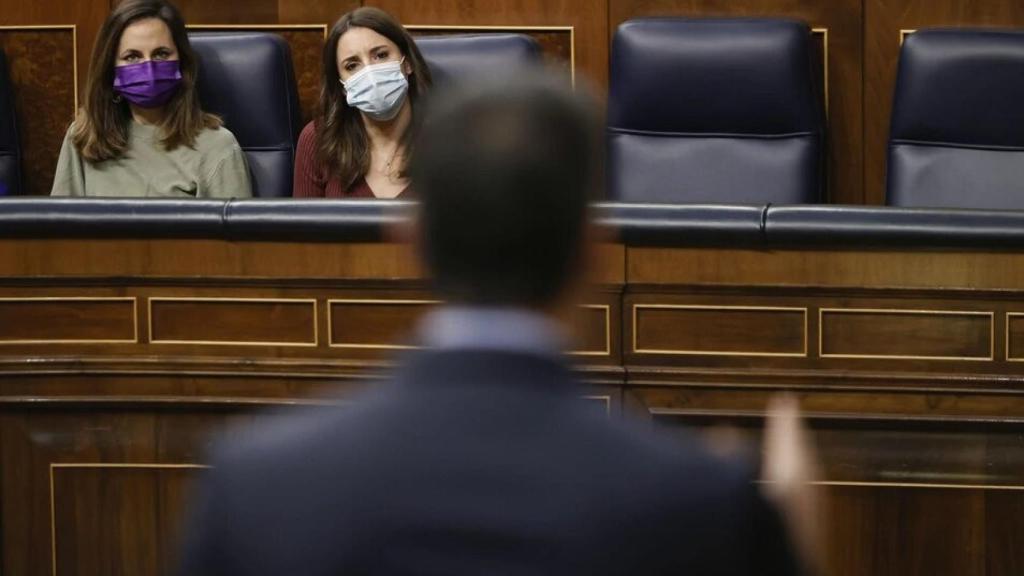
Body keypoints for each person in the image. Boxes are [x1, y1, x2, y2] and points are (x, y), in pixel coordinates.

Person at [178, 75, 808, 575]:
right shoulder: (700, 501)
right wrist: (794, 541)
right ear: (591, 248)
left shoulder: (257, 484)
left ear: (411, 242)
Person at [51, 0, 251, 198]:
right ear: (110, 69)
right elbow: (59, 226)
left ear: (182, 63)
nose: (148, 68)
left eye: (161, 54)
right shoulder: (84, 137)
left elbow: (235, 230)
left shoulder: (217, 148)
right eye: (132, 57)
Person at [292, 7, 431, 199]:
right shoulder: (318, 139)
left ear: (407, 63)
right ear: (342, 86)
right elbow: (302, 227)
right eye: (352, 65)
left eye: (381, 55)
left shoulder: (448, 136)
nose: (370, 73)